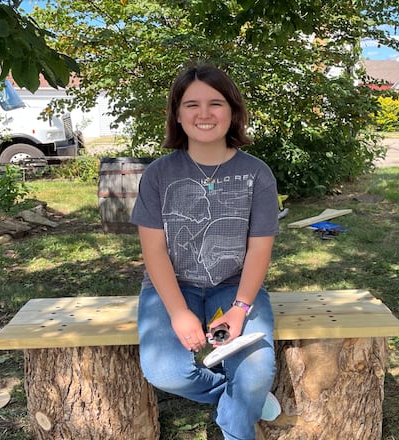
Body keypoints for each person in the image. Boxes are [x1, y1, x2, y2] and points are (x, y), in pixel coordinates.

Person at [130, 64, 280, 440]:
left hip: (234, 285)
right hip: (171, 286)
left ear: (233, 112)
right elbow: (154, 251)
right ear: (177, 115)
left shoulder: (257, 174)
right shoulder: (159, 175)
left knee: (257, 371)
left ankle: (237, 426)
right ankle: (235, 398)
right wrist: (179, 313)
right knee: (167, 372)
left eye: (216, 103)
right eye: (191, 104)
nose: (204, 113)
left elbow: (260, 247)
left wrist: (241, 308)